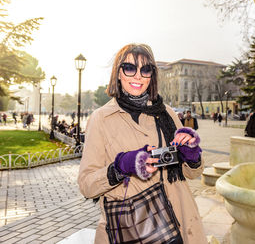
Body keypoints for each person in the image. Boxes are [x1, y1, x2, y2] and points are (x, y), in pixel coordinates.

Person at [78, 43, 207, 244]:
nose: (138, 75)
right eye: (130, 68)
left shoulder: (167, 114)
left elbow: (193, 173)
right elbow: (86, 185)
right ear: (118, 73)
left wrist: (192, 156)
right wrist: (121, 167)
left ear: (151, 76)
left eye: (145, 69)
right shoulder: (101, 118)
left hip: (181, 223)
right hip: (133, 228)